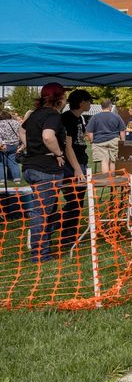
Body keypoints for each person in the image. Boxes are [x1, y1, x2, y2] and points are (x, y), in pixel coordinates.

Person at [20, 83, 71, 261]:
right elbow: (48, 136)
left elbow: (22, 130)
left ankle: (44, 248)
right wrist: (58, 153)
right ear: (58, 99)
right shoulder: (53, 115)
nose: (66, 100)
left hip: (30, 167)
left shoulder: (35, 114)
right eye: (65, 97)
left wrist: (30, 147)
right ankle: (40, 254)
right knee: (41, 212)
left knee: (45, 210)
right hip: (45, 170)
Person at [57, 88, 92, 251]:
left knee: (77, 203)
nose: (90, 103)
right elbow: (67, 147)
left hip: (80, 163)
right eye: (88, 100)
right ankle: (52, 226)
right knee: (73, 202)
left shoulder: (79, 118)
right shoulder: (67, 118)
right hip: (72, 167)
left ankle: (71, 237)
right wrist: (78, 169)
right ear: (81, 102)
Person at [0, 109, 23, 183]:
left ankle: (2, 180)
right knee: (13, 162)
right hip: (15, 144)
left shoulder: (0, 123)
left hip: (3, 145)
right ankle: (17, 179)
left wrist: (2, 144)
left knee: (1, 163)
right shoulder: (16, 123)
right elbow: (20, 133)